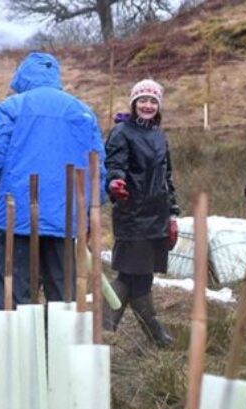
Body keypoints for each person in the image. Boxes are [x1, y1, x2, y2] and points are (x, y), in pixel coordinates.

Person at [0, 52, 104, 310]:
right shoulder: (83, 113)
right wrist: (92, 208)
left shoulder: (11, 107)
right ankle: (61, 346)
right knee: (63, 290)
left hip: (18, 212)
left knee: (12, 287)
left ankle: (14, 345)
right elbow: (97, 166)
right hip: (66, 214)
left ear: (22, 77)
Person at [103, 79, 179, 348]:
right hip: (132, 215)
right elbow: (113, 166)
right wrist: (115, 183)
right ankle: (106, 330)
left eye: (153, 101)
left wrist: (172, 215)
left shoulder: (159, 135)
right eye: (142, 100)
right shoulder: (121, 132)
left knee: (141, 276)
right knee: (128, 275)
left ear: (158, 106)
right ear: (134, 103)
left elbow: (166, 177)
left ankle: (152, 335)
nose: (147, 105)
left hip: (157, 217)